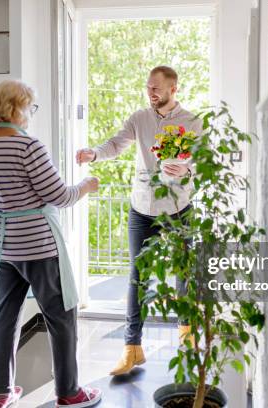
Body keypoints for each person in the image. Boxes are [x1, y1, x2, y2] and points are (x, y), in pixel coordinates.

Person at [0, 79, 102, 408]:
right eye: (29, 106)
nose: (31, 113)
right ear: (15, 108)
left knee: (3, 316)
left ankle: (0, 394)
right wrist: (86, 185)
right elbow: (59, 196)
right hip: (36, 245)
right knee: (62, 316)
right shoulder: (28, 147)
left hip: (1, 244)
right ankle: (69, 391)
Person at [76, 66, 202, 376]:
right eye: (148, 87)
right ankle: (132, 349)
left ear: (174, 89)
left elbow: (204, 160)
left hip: (179, 208)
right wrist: (94, 154)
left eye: (157, 88)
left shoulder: (192, 122)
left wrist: (187, 171)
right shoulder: (139, 118)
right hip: (142, 209)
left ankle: (188, 341)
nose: (151, 92)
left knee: (184, 272)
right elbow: (116, 144)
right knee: (137, 276)